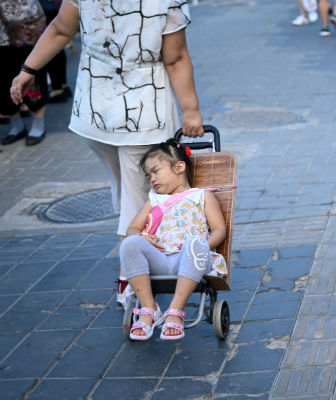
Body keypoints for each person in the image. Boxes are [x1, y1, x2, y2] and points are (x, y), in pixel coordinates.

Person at [10, 0, 206, 304]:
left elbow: (61, 29)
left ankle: (140, 261)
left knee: (131, 191)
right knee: (136, 196)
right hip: (143, 110)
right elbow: (176, 57)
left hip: (94, 110)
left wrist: (27, 71)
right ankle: (132, 279)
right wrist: (191, 109)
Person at [120, 139, 227, 340]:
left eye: (156, 171)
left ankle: (175, 310)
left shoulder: (201, 196)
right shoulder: (154, 200)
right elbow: (132, 228)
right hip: (158, 259)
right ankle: (149, 308)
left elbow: (219, 229)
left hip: (191, 260)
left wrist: (204, 245)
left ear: (179, 167)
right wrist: (142, 235)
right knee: (129, 243)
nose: (152, 179)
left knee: (194, 243)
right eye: (148, 175)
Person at [1, 0, 48, 146]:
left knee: (32, 75)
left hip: (25, 20)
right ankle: (16, 125)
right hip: (1, 32)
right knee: (3, 79)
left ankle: (38, 124)